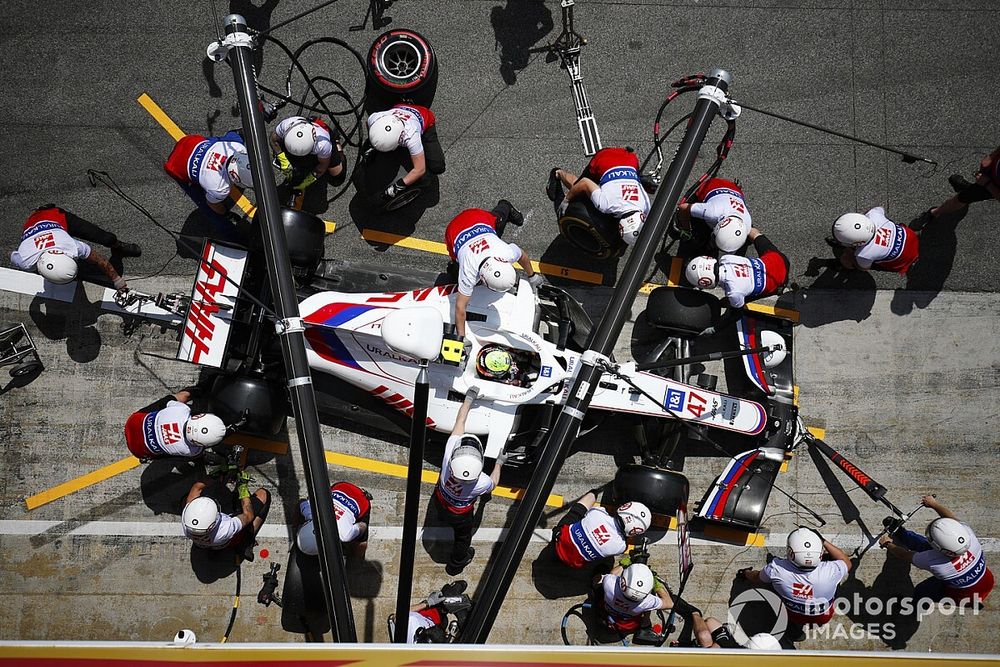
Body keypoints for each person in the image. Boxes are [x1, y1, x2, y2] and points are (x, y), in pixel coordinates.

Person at [433, 386, 505, 575]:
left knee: (441, 510)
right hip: (460, 514)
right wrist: (499, 463)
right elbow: (493, 484)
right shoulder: (481, 482)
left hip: (441, 497)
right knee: (463, 538)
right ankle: (456, 564)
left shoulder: (450, 454)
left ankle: (441, 517)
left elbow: (460, 420)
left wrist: (469, 399)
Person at [444, 203, 540, 338]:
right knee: (454, 268)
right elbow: (460, 308)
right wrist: (461, 338)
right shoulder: (468, 271)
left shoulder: (506, 251)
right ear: (482, 279)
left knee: (497, 221)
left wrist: (533, 276)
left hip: (478, 219)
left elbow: (522, 255)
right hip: (456, 230)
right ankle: (505, 206)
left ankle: (506, 207)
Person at [880, 495, 994, 605]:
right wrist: (934, 504)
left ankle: (913, 605)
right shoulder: (968, 535)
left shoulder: (938, 564)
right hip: (986, 580)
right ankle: (901, 533)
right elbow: (951, 520)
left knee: (923, 591)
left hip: (964, 595)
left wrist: (888, 544)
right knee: (925, 546)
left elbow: (905, 555)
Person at [739, 527, 851, 627]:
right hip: (823, 616)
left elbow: (756, 578)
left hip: (793, 615)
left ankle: (793, 625)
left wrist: (746, 573)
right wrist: (823, 541)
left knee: (770, 582)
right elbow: (847, 562)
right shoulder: (831, 571)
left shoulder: (776, 569)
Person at [10, 205, 139, 288]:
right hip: (32, 224)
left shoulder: (72, 246)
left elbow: (100, 261)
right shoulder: (24, 260)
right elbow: (11, 255)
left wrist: (116, 279)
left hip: (55, 217)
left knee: (107, 238)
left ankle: (118, 247)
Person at [549, 146, 651, 247]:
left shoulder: (646, 208)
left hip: (630, 158)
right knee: (577, 189)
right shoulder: (605, 204)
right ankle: (558, 173)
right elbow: (584, 183)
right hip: (605, 158)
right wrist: (567, 200)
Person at [684, 227, 789, 308]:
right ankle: (745, 230)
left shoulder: (734, 292)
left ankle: (778, 289)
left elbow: (736, 313)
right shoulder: (726, 259)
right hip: (776, 258)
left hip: (779, 280)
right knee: (753, 233)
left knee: (728, 303)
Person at [163, 130, 253, 220]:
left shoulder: (238, 147)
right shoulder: (219, 188)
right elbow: (213, 204)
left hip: (190, 142)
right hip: (176, 163)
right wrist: (225, 213)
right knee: (209, 207)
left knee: (235, 137)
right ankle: (227, 224)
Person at [551, 490, 651, 568]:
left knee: (578, 512)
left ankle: (593, 492)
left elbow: (585, 513)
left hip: (558, 540)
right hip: (573, 562)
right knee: (608, 559)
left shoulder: (599, 512)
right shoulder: (620, 547)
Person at [366, 103, 446, 202]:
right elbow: (368, 123)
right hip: (400, 107)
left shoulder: (411, 135)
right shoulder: (375, 118)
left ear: (401, 138)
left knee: (437, 166)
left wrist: (397, 187)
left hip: (424, 117)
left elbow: (420, 170)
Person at [124, 387, 228, 461]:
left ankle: (198, 389)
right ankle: (151, 458)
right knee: (173, 455)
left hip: (133, 422)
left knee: (178, 397)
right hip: (137, 450)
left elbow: (167, 402)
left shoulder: (181, 410)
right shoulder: (190, 450)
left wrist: (189, 394)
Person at [181, 476, 270, 560]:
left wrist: (213, 475)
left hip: (202, 542)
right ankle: (248, 539)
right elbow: (248, 515)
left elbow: (197, 487)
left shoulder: (187, 518)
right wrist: (243, 490)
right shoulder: (225, 528)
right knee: (264, 494)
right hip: (227, 543)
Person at [918, 146, 1000, 223]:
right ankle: (966, 188)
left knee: (960, 199)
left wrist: (987, 183)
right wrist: (991, 156)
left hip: (993, 187)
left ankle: (934, 213)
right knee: (974, 184)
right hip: (992, 171)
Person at [296, 481, 373, 561]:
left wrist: (359, 531)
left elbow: (363, 525)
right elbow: (302, 502)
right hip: (340, 487)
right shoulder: (310, 512)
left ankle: (358, 562)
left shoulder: (346, 535)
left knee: (361, 543)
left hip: (361, 501)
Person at [829, 207, 919, 274]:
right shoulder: (874, 214)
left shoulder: (864, 255)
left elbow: (863, 268)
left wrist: (848, 252)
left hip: (902, 261)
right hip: (911, 237)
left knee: (846, 260)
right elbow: (880, 209)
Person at [593, 561, 672, 634]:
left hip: (606, 612)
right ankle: (645, 622)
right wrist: (657, 586)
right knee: (647, 610)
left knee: (601, 569)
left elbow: (607, 576)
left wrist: (623, 564)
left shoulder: (609, 583)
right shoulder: (647, 602)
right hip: (627, 625)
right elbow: (669, 603)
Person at [676, 177, 751, 253]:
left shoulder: (747, 225)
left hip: (735, 191)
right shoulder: (712, 212)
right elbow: (683, 207)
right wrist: (686, 230)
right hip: (713, 185)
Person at [270, 115, 345, 191]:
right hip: (300, 149)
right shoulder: (287, 125)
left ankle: (336, 142)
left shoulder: (323, 145)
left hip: (322, 141)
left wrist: (308, 181)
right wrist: (283, 159)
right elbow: (273, 139)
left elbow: (323, 165)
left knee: (337, 176)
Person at [390, 580, 471, 643]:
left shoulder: (410, 625)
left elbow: (396, 616)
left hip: (426, 614)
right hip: (439, 623)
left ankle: (449, 598)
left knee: (446, 595)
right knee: (465, 624)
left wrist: (428, 603)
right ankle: (464, 610)